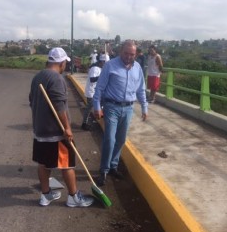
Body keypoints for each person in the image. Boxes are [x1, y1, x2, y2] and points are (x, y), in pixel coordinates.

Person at [29, 47, 94, 207]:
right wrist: (67, 128)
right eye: (65, 63)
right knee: (67, 164)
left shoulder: (38, 77)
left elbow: (32, 101)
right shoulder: (57, 79)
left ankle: (46, 195)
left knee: (44, 164)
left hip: (40, 130)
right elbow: (60, 106)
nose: (65, 66)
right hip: (56, 132)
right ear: (61, 62)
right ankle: (73, 197)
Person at [92, 40, 148, 186]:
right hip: (112, 107)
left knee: (121, 139)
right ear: (120, 52)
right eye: (126, 53)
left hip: (129, 108)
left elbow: (141, 89)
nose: (129, 57)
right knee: (110, 140)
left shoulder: (137, 68)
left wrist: (144, 107)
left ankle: (113, 166)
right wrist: (97, 106)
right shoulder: (110, 65)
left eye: (132, 54)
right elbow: (99, 88)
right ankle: (103, 170)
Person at [81, 53, 106, 131]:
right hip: (91, 92)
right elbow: (92, 79)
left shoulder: (101, 68)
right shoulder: (95, 68)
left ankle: (97, 117)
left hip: (97, 92)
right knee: (89, 108)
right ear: (102, 62)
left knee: (101, 104)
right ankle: (84, 123)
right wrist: (102, 76)